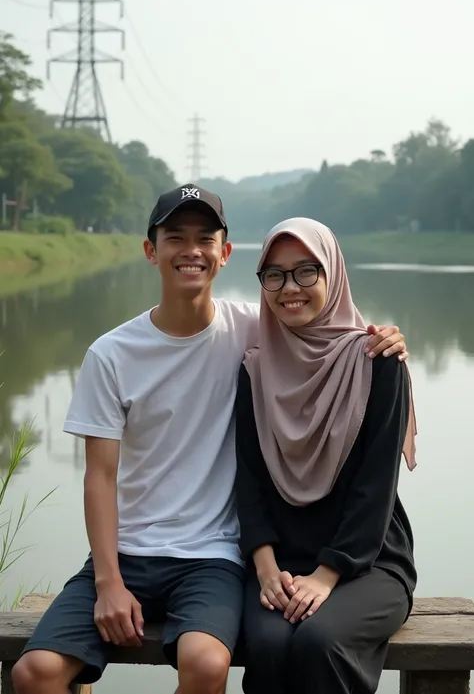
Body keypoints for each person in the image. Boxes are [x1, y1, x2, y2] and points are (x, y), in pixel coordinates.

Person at [12, 187, 409, 694]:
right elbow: (100, 475)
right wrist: (108, 581)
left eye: (206, 239)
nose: (191, 251)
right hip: (132, 551)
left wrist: (387, 340)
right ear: (150, 250)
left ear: (225, 253)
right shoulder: (116, 354)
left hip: (213, 555)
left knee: (210, 663)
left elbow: (328, 332)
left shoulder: (260, 331)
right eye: (175, 237)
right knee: (33, 673)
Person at [235, 217, 417, 694]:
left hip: (368, 561)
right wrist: (266, 567)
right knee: (269, 645)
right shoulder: (255, 371)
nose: (288, 288)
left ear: (333, 274)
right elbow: (248, 482)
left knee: (321, 640)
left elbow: (376, 487)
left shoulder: (377, 363)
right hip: (279, 564)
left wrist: (327, 574)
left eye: (306, 271)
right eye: (273, 274)